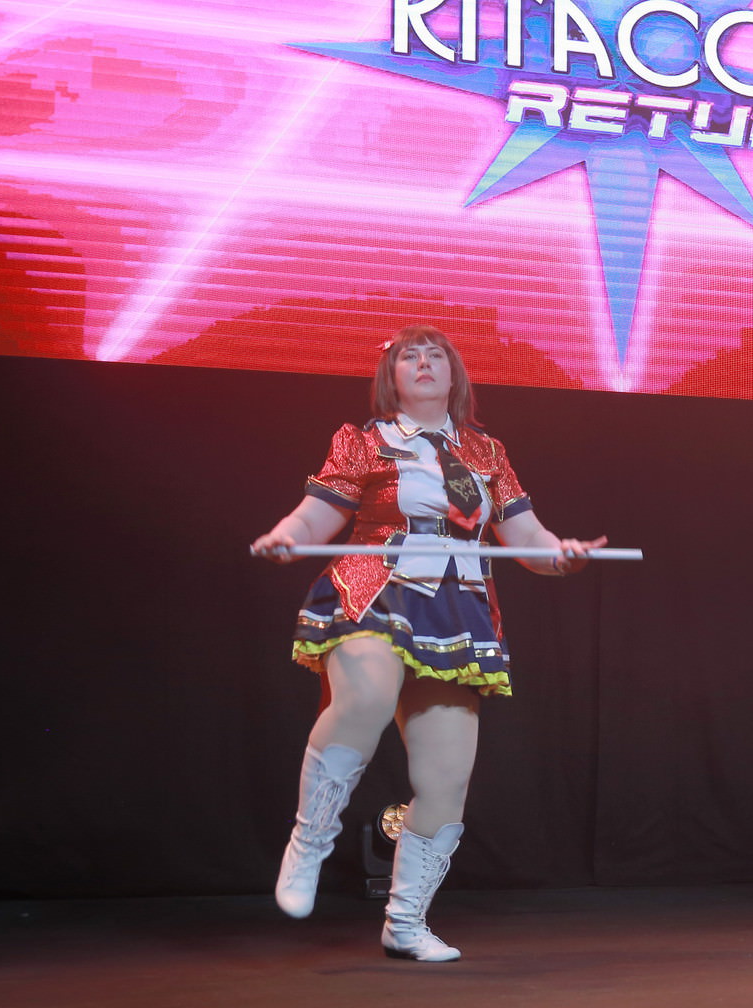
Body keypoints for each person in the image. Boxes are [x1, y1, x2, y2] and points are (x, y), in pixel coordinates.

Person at [251, 325, 606, 962]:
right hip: (377, 591)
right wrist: (287, 535)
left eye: (434, 355)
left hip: (456, 612)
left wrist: (563, 555)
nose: (422, 363)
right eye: (408, 356)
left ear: (453, 374)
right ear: (390, 376)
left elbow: (528, 539)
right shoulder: (364, 441)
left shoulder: (487, 452)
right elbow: (315, 514)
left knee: (446, 779)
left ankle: (406, 921)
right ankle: (309, 843)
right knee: (366, 696)